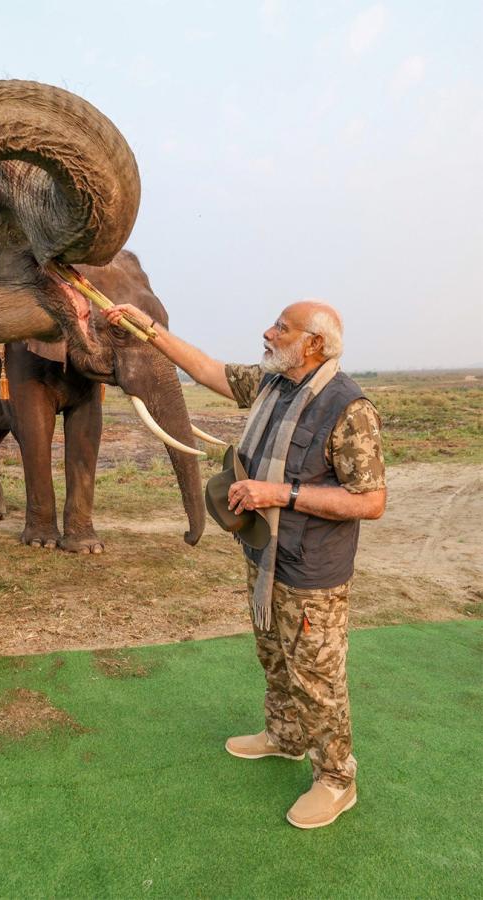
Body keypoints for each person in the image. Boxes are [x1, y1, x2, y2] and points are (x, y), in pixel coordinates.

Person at [102, 299, 386, 829]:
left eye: (282, 327)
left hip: (312, 572)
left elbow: (370, 501)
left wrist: (279, 493)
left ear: (314, 344)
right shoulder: (272, 384)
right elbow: (207, 369)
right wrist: (149, 332)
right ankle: (284, 736)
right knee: (274, 654)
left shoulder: (349, 409)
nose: (268, 332)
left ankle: (336, 779)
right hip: (265, 557)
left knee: (316, 677)